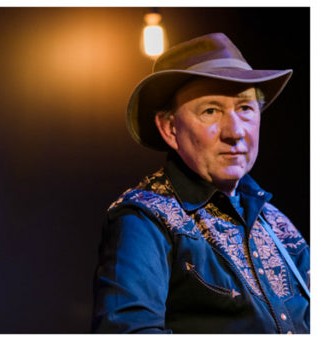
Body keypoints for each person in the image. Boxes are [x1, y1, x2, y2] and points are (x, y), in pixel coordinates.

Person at [93, 33, 309, 333]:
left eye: (245, 108)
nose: (235, 131)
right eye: (211, 111)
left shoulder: (277, 226)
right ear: (170, 128)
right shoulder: (144, 218)